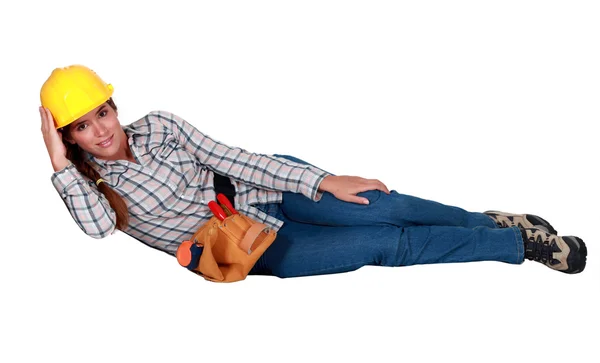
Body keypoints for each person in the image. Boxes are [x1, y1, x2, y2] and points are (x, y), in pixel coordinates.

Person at [40, 65, 587, 278]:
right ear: (68, 137)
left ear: (115, 106)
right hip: (244, 245)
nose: (103, 131)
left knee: (384, 204)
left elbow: (231, 158)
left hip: (265, 189)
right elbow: (96, 229)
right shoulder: (87, 186)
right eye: (83, 127)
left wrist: (322, 180)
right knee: (384, 244)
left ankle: (487, 223)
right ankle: (519, 245)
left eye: (103, 113)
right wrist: (61, 165)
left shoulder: (158, 125)